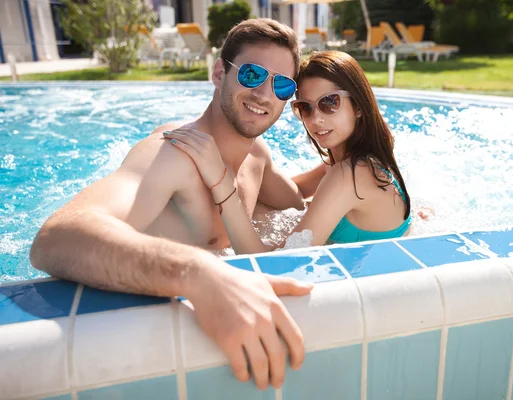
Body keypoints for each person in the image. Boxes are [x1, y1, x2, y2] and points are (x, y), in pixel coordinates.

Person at [29, 19, 314, 391]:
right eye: (252, 74)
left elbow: (297, 202)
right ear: (218, 72)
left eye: (280, 84)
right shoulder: (171, 155)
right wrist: (199, 273)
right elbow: (55, 238)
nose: (264, 93)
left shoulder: (257, 157)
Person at [167, 50, 419, 254]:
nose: (316, 118)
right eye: (305, 108)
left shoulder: (351, 175)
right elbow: (294, 191)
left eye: (329, 103)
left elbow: (272, 263)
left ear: (359, 106)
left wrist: (220, 179)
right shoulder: (354, 159)